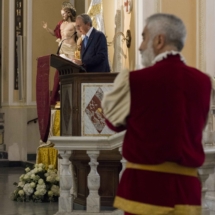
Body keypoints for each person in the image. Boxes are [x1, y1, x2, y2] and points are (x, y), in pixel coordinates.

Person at [101, 13, 212, 215]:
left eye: (144, 37)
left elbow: (113, 123)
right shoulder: (203, 82)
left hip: (145, 192)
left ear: (159, 40)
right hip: (188, 192)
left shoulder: (136, 80)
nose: (141, 46)